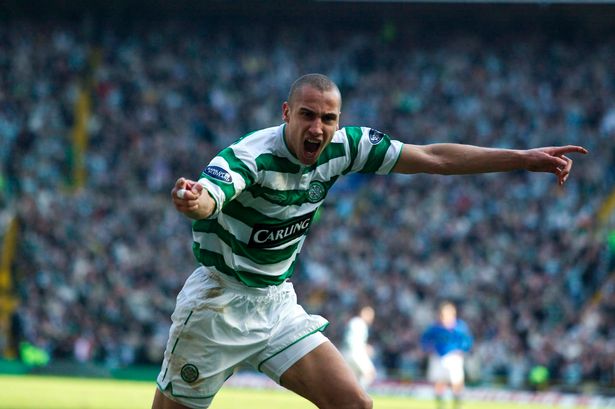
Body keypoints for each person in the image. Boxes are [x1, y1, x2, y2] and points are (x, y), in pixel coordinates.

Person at [152, 73, 587, 409]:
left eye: (328, 118)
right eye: (307, 115)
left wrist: (521, 158)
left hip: (275, 303)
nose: (317, 128)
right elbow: (209, 197)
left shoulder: (347, 147)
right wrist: (193, 200)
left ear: (338, 120)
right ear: (286, 113)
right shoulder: (251, 156)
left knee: (355, 404)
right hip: (218, 305)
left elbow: (433, 157)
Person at [420, 302, 473, 409]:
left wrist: (461, 350)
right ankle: (440, 405)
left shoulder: (459, 327)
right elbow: (425, 339)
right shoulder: (435, 327)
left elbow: (467, 341)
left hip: (454, 357)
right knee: (439, 381)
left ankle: (457, 404)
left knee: (456, 381)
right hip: (438, 357)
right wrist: (429, 349)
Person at [341, 305, 377, 389]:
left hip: (348, 353)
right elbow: (352, 340)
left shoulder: (355, 322)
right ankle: (361, 393)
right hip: (355, 353)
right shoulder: (359, 323)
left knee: (355, 377)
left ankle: (353, 393)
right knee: (370, 373)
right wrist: (365, 348)